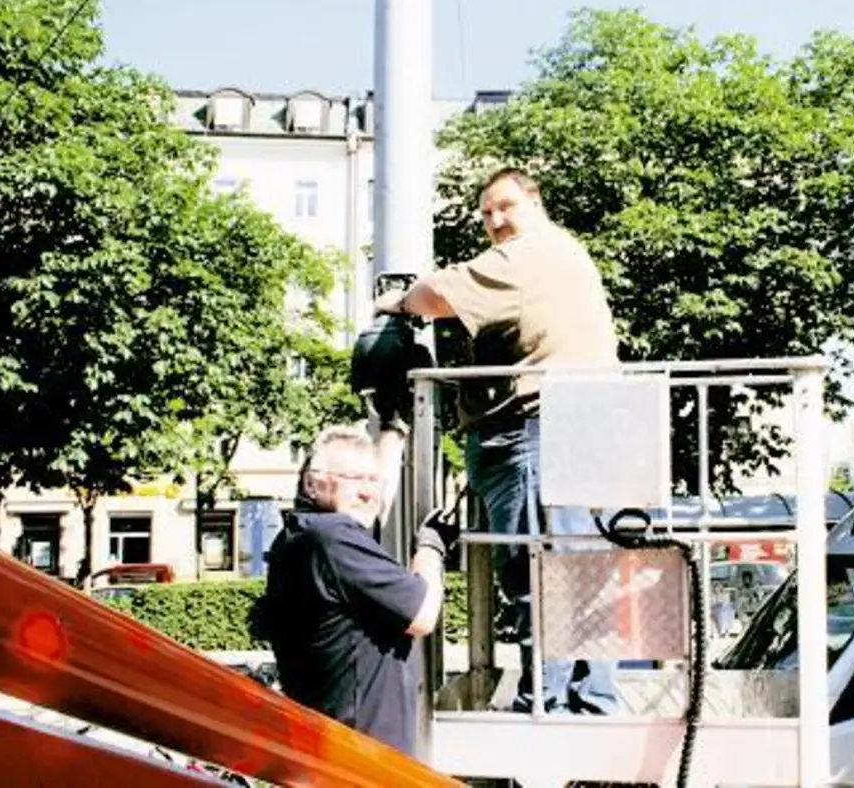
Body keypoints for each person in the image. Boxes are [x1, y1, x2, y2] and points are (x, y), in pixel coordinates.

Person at [373, 166, 620, 715]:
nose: (493, 221)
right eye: (485, 213)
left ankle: (546, 700)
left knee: (535, 568)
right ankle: (593, 695)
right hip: (582, 424)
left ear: (535, 201)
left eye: (504, 206)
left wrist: (397, 303)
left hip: (535, 428)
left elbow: (438, 294)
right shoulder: (570, 255)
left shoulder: (528, 254)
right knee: (579, 568)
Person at [254, 423, 460, 755]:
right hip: (360, 758)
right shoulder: (333, 537)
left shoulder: (303, 536)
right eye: (354, 480)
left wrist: (395, 432)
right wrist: (431, 548)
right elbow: (422, 614)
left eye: (372, 480)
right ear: (313, 483)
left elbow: (375, 504)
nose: (369, 492)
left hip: (334, 748)